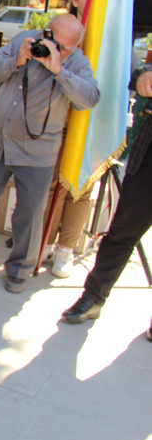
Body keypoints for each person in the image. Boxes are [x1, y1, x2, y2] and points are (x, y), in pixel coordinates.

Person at [0, 14, 100, 293]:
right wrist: (15, 61)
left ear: (76, 48)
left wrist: (60, 70)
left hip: (37, 151)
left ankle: (20, 268)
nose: (56, 48)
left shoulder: (77, 62)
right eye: (53, 41)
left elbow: (89, 98)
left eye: (65, 48)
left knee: (29, 214)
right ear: (46, 31)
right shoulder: (24, 40)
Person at [61, 64, 152, 323]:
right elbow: (138, 73)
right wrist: (144, 75)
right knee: (122, 232)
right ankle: (93, 297)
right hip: (147, 160)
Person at [39, 0, 96, 278]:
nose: (93, 0)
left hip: (89, 120)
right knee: (49, 185)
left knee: (80, 184)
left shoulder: (110, 33)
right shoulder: (62, 27)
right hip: (55, 120)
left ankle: (66, 249)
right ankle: (44, 242)